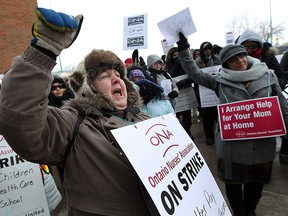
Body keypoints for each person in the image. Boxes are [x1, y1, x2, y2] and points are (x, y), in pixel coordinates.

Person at [0, 7, 160, 216]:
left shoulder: (144, 117)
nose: (116, 79)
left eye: (118, 74)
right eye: (104, 76)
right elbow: (20, 120)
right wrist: (43, 53)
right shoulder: (74, 123)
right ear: (87, 88)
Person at [176, 32, 288, 216]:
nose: (241, 61)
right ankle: (238, 212)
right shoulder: (219, 81)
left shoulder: (268, 76)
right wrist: (183, 50)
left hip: (262, 144)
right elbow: (194, 73)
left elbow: (282, 105)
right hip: (232, 146)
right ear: (226, 63)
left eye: (242, 56)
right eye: (234, 59)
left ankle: (250, 210)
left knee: (256, 184)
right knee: (233, 184)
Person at [195, 41, 221, 145]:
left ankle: (220, 135)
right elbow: (193, 75)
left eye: (209, 48)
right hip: (203, 93)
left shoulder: (218, 59)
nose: (208, 51)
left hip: (216, 91)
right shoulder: (197, 62)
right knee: (206, 117)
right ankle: (209, 137)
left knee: (218, 115)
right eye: (205, 49)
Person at [165, 46, 195, 139]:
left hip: (186, 93)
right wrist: (177, 64)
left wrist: (185, 82)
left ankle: (187, 131)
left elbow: (193, 75)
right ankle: (179, 133)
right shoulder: (168, 67)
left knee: (187, 113)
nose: (177, 57)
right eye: (175, 55)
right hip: (176, 94)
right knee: (176, 113)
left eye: (179, 55)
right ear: (170, 56)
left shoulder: (187, 65)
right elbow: (168, 78)